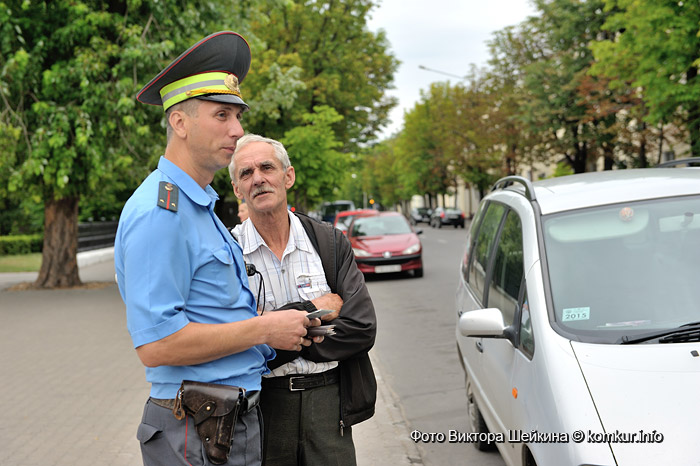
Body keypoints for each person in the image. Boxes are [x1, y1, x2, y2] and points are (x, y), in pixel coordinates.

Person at [114, 32, 322, 466]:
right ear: (180, 123)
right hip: (195, 426)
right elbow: (158, 345)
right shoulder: (162, 212)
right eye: (221, 115)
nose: (237, 129)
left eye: (238, 115)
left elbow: (215, 313)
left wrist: (282, 324)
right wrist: (265, 330)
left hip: (222, 421)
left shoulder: (199, 206)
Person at [229, 134, 378, 466]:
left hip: (329, 401)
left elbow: (361, 328)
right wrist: (313, 312)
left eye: (267, 167)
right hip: (262, 407)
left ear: (288, 176)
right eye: (245, 173)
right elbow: (233, 345)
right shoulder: (227, 254)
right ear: (238, 190)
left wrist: (271, 331)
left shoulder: (328, 242)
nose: (258, 178)